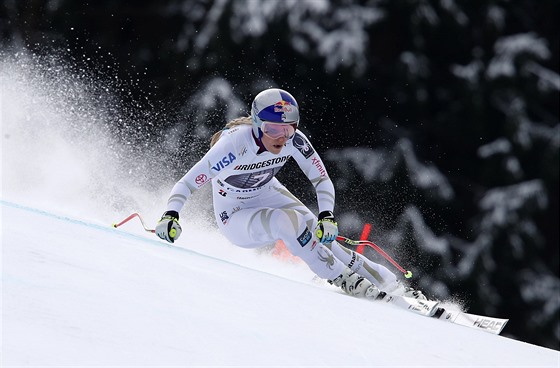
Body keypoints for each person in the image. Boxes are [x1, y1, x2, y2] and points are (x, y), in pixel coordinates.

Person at [156, 88, 425, 301]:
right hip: (235, 214)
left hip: (267, 192)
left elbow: (320, 178)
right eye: (273, 129)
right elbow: (188, 182)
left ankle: (392, 285)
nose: (281, 138)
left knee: (324, 239)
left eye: (288, 129)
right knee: (286, 221)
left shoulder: (294, 141)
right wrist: (171, 215)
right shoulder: (234, 143)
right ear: (257, 124)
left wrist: (327, 216)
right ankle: (340, 277)